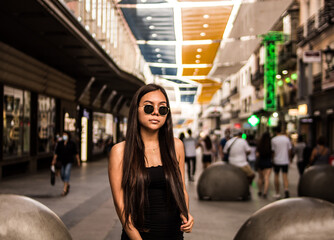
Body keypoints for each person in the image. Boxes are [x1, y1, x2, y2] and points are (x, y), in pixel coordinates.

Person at [108, 84, 194, 240]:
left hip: (173, 235)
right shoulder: (120, 151)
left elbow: (181, 189)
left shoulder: (176, 146)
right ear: (136, 109)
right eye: (148, 107)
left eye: (162, 109)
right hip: (138, 236)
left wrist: (185, 212)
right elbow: (121, 206)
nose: (156, 112)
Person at [51, 131, 81, 196]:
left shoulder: (72, 143)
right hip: (62, 161)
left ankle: (64, 189)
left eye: (65, 135)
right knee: (62, 174)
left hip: (69, 161)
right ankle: (67, 184)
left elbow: (76, 153)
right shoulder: (60, 143)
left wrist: (78, 160)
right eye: (63, 134)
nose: (64, 136)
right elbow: (56, 152)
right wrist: (54, 160)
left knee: (67, 173)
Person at [271, 126, 292, 199]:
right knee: (285, 175)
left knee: (276, 175)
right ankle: (286, 189)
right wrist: (289, 158)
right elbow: (290, 150)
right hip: (285, 160)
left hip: (277, 160)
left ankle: (277, 193)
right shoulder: (286, 139)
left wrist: (272, 159)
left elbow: (273, 151)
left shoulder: (274, 140)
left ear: (276, 132)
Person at [256, 132, 272, 199]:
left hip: (261, 162)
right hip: (268, 162)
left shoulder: (260, 144)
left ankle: (260, 191)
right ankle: (265, 193)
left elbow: (257, 154)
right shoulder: (270, 145)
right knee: (266, 178)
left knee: (260, 177)